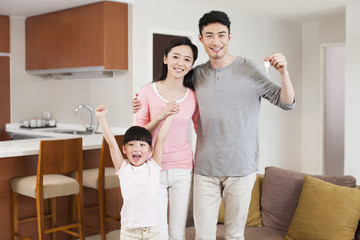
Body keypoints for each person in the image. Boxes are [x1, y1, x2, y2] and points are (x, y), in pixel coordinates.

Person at [133, 10, 295, 240]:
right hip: (204, 169)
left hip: (241, 167)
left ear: (229, 37)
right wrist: (140, 101)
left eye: (221, 34)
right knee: (203, 236)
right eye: (209, 35)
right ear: (201, 38)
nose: (215, 41)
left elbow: (286, 103)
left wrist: (284, 73)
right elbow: (171, 87)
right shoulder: (197, 74)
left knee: (234, 235)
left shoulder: (249, 68)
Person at [135, 37, 199, 240]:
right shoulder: (147, 92)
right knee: (159, 231)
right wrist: (162, 115)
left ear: (191, 66)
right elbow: (139, 134)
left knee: (177, 231)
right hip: (155, 167)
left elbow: (200, 129)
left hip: (183, 168)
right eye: (176, 57)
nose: (181, 63)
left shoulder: (193, 96)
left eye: (187, 59)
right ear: (165, 59)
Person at [95, 104, 174, 240]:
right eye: (131, 144)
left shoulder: (153, 166)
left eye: (142, 145)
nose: (137, 149)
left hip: (152, 231)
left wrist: (171, 114)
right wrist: (101, 118)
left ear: (150, 150)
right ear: (124, 149)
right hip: (129, 232)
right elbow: (111, 143)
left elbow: (160, 138)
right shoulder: (123, 168)